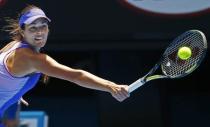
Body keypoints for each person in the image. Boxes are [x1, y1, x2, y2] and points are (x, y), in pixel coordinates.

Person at [0, 5, 129, 126]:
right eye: (33, 28)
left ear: (48, 28)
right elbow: (76, 76)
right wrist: (111, 86)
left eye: (43, 26)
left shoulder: (12, 46)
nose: (39, 32)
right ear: (23, 31)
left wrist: (13, 90)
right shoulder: (33, 59)